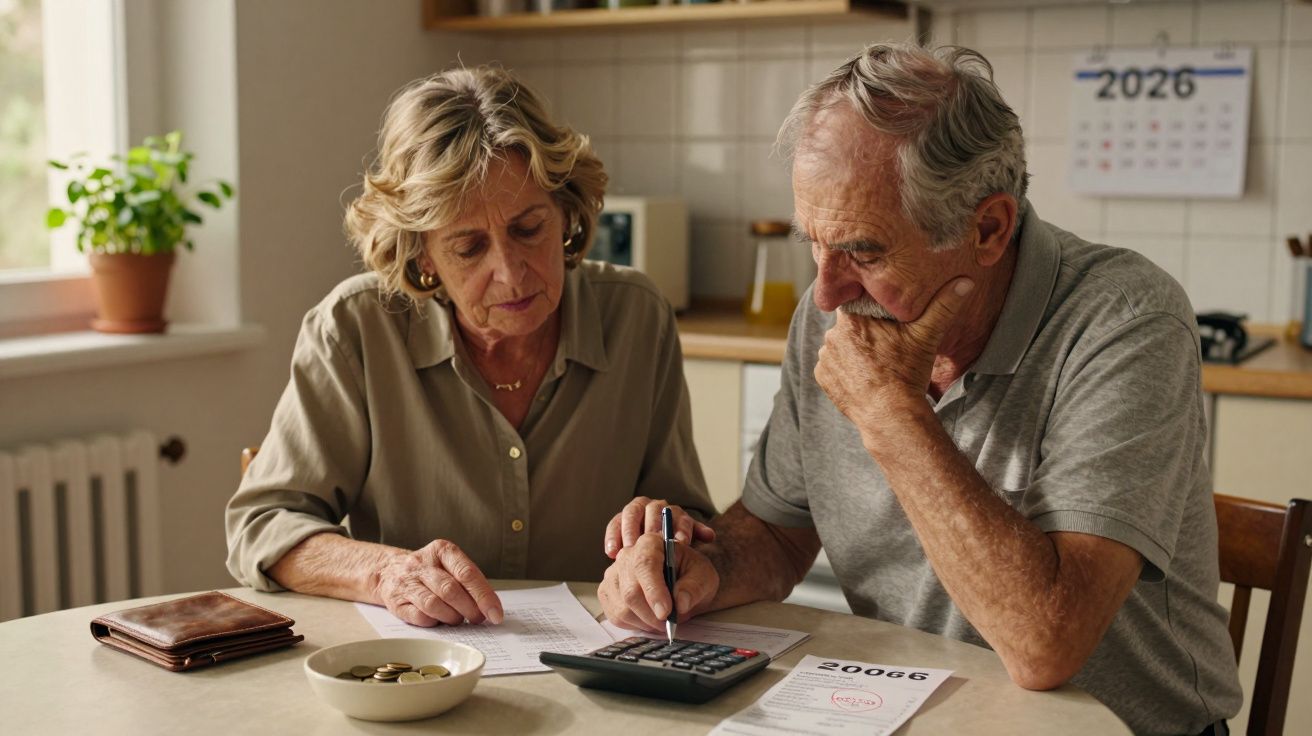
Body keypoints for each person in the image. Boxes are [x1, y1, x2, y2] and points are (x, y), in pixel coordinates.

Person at [599, 44, 1241, 736]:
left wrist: (891, 411)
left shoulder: (1125, 320)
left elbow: (1044, 643)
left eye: (864, 251)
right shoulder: (836, 315)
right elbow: (777, 537)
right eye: (813, 242)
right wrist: (697, 566)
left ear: (988, 228)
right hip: (918, 715)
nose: (826, 292)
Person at [226, 66, 714, 629]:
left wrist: (665, 539)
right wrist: (386, 574)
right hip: (414, 676)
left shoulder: (636, 316)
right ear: (423, 255)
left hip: (602, 665)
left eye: (529, 229)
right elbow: (262, 523)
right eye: (468, 246)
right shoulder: (355, 327)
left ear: (566, 213)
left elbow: (688, 522)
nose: (510, 274)